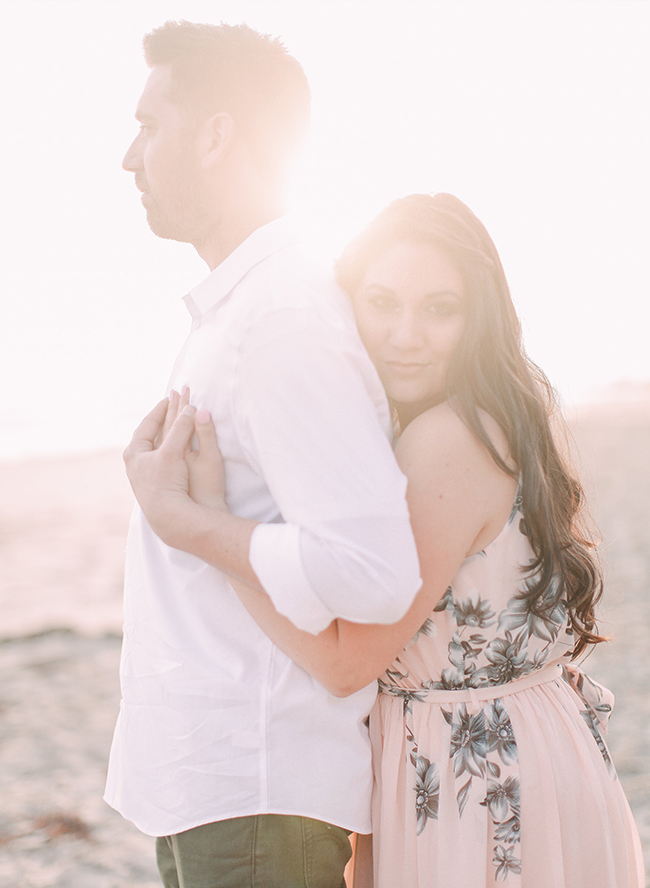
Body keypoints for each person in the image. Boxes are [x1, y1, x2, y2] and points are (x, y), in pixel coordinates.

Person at [126, 193, 645, 887]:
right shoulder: (490, 412)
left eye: (439, 308)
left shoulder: (449, 439)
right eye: (382, 302)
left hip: (480, 782)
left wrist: (198, 524)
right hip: (506, 751)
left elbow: (346, 663)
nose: (406, 334)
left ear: (478, 317)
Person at [106, 20, 423, 888]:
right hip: (216, 785)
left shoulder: (282, 320)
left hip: (255, 791)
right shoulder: (241, 311)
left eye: (148, 126)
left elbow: (369, 569)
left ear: (216, 136)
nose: (129, 157)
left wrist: (185, 522)